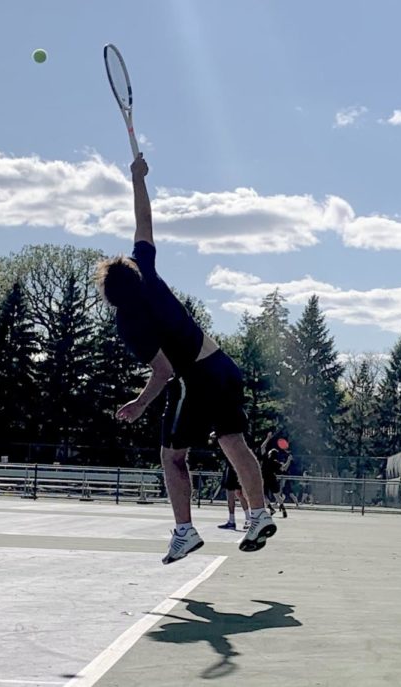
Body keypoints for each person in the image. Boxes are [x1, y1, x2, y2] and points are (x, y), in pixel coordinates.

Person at [95, 154, 276, 564]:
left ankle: (184, 531)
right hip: (223, 367)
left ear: (109, 296)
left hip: (196, 379)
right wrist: (138, 178)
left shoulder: (128, 322)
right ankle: (260, 512)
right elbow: (144, 219)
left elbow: (164, 371)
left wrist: (139, 405)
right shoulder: (146, 269)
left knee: (172, 456)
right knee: (233, 441)